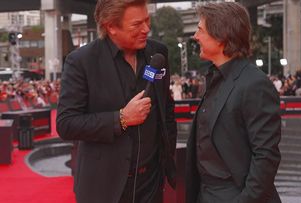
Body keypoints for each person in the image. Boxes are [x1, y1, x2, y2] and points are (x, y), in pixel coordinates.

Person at [56, 0, 177, 202]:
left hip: (151, 183)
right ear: (111, 26)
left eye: (147, 21)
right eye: (136, 24)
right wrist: (121, 118)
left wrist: (166, 157)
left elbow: (166, 109)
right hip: (103, 187)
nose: (146, 29)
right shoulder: (81, 61)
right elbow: (66, 124)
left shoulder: (157, 53)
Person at [185, 2, 281, 203]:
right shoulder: (214, 78)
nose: (195, 36)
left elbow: (265, 156)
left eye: (200, 30)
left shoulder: (255, 84)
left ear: (220, 36)